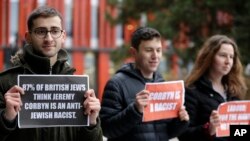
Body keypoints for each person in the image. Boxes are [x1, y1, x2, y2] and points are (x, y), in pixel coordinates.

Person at [0, 6, 102, 141]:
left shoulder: (77, 86)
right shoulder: (5, 83)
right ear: (28, 37)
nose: (48, 38)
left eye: (55, 31)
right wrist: (6, 119)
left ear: (63, 36)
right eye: (41, 31)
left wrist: (92, 123)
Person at [100, 27, 189, 141]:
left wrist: (181, 122)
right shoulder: (116, 84)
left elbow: (165, 132)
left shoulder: (161, 83)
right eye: (148, 50)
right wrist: (135, 110)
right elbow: (106, 129)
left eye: (158, 50)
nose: (155, 56)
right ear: (134, 52)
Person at [178, 35, 247, 141]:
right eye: (223, 55)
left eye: (231, 57)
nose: (228, 61)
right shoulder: (192, 90)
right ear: (209, 57)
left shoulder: (234, 90)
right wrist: (208, 129)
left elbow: (236, 133)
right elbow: (183, 135)